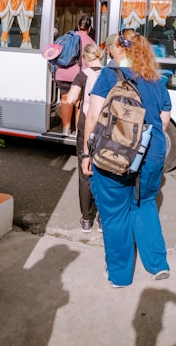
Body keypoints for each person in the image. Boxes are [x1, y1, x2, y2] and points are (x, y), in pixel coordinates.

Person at [82, 29, 172, 288]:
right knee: (144, 204)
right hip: (152, 153)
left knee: (114, 213)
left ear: (120, 50)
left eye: (112, 46)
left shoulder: (109, 75)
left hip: (115, 154)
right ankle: (157, 265)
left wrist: (87, 153)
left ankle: (120, 275)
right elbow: (163, 122)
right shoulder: (156, 80)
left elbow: (93, 116)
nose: (110, 49)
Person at [66, 43, 104, 232]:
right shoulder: (109, 74)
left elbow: (71, 99)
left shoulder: (83, 75)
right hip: (104, 128)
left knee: (85, 173)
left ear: (85, 58)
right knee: (103, 172)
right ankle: (102, 219)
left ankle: (86, 219)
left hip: (86, 127)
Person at [55, 14, 94, 136]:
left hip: (62, 73)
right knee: (79, 102)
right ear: (89, 29)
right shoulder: (91, 43)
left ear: (78, 26)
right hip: (78, 76)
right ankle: (78, 130)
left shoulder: (67, 37)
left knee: (65, 100)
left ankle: (65, 129)